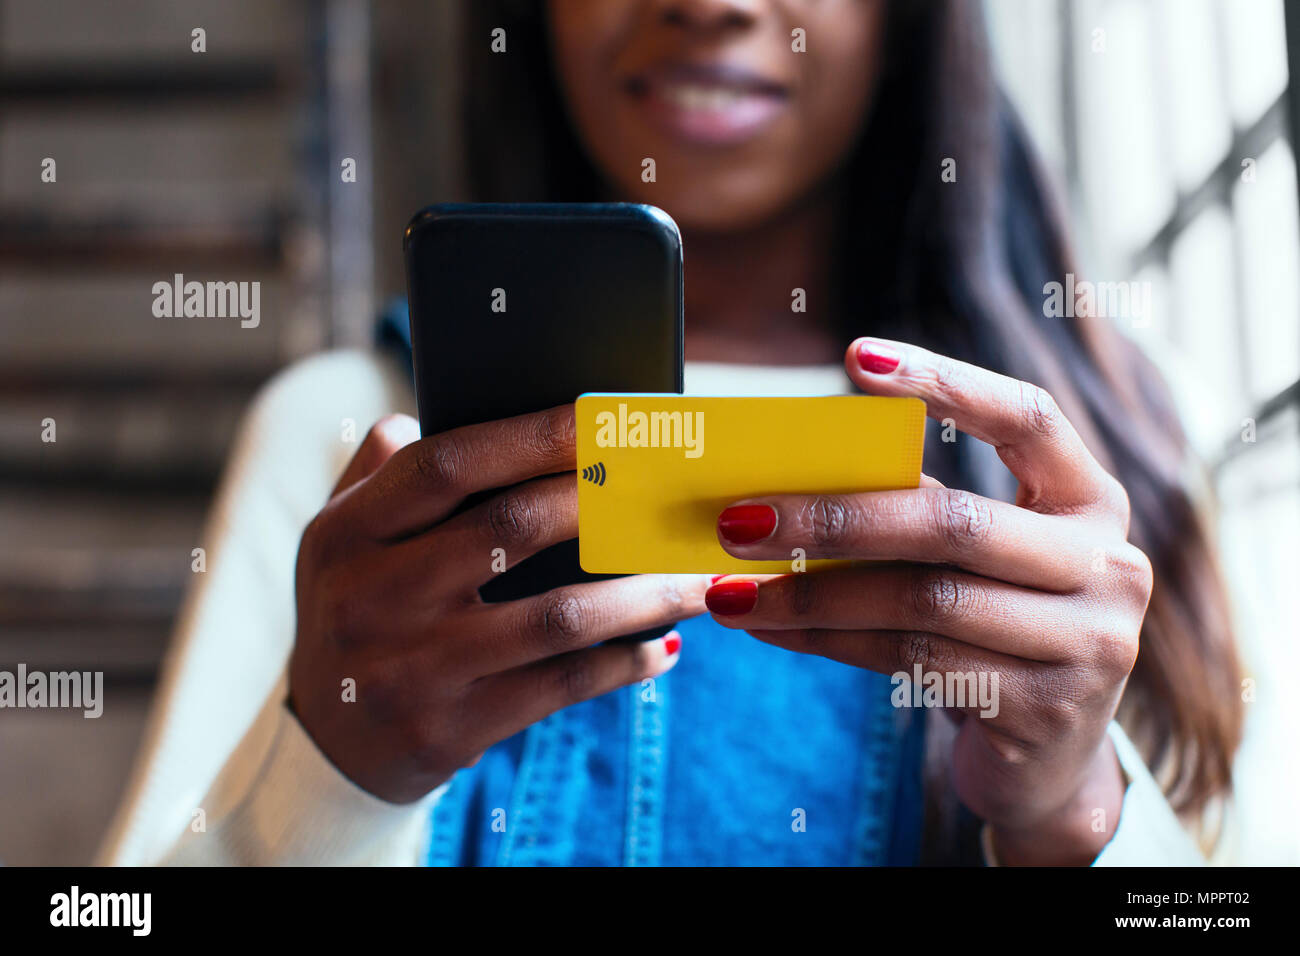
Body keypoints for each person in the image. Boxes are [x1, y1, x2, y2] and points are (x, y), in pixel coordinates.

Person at [99, 0, 1240, 866]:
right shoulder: (347, 430)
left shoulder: (1121, 440)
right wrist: (334, 770)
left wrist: (1068, 808)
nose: (705, 3)